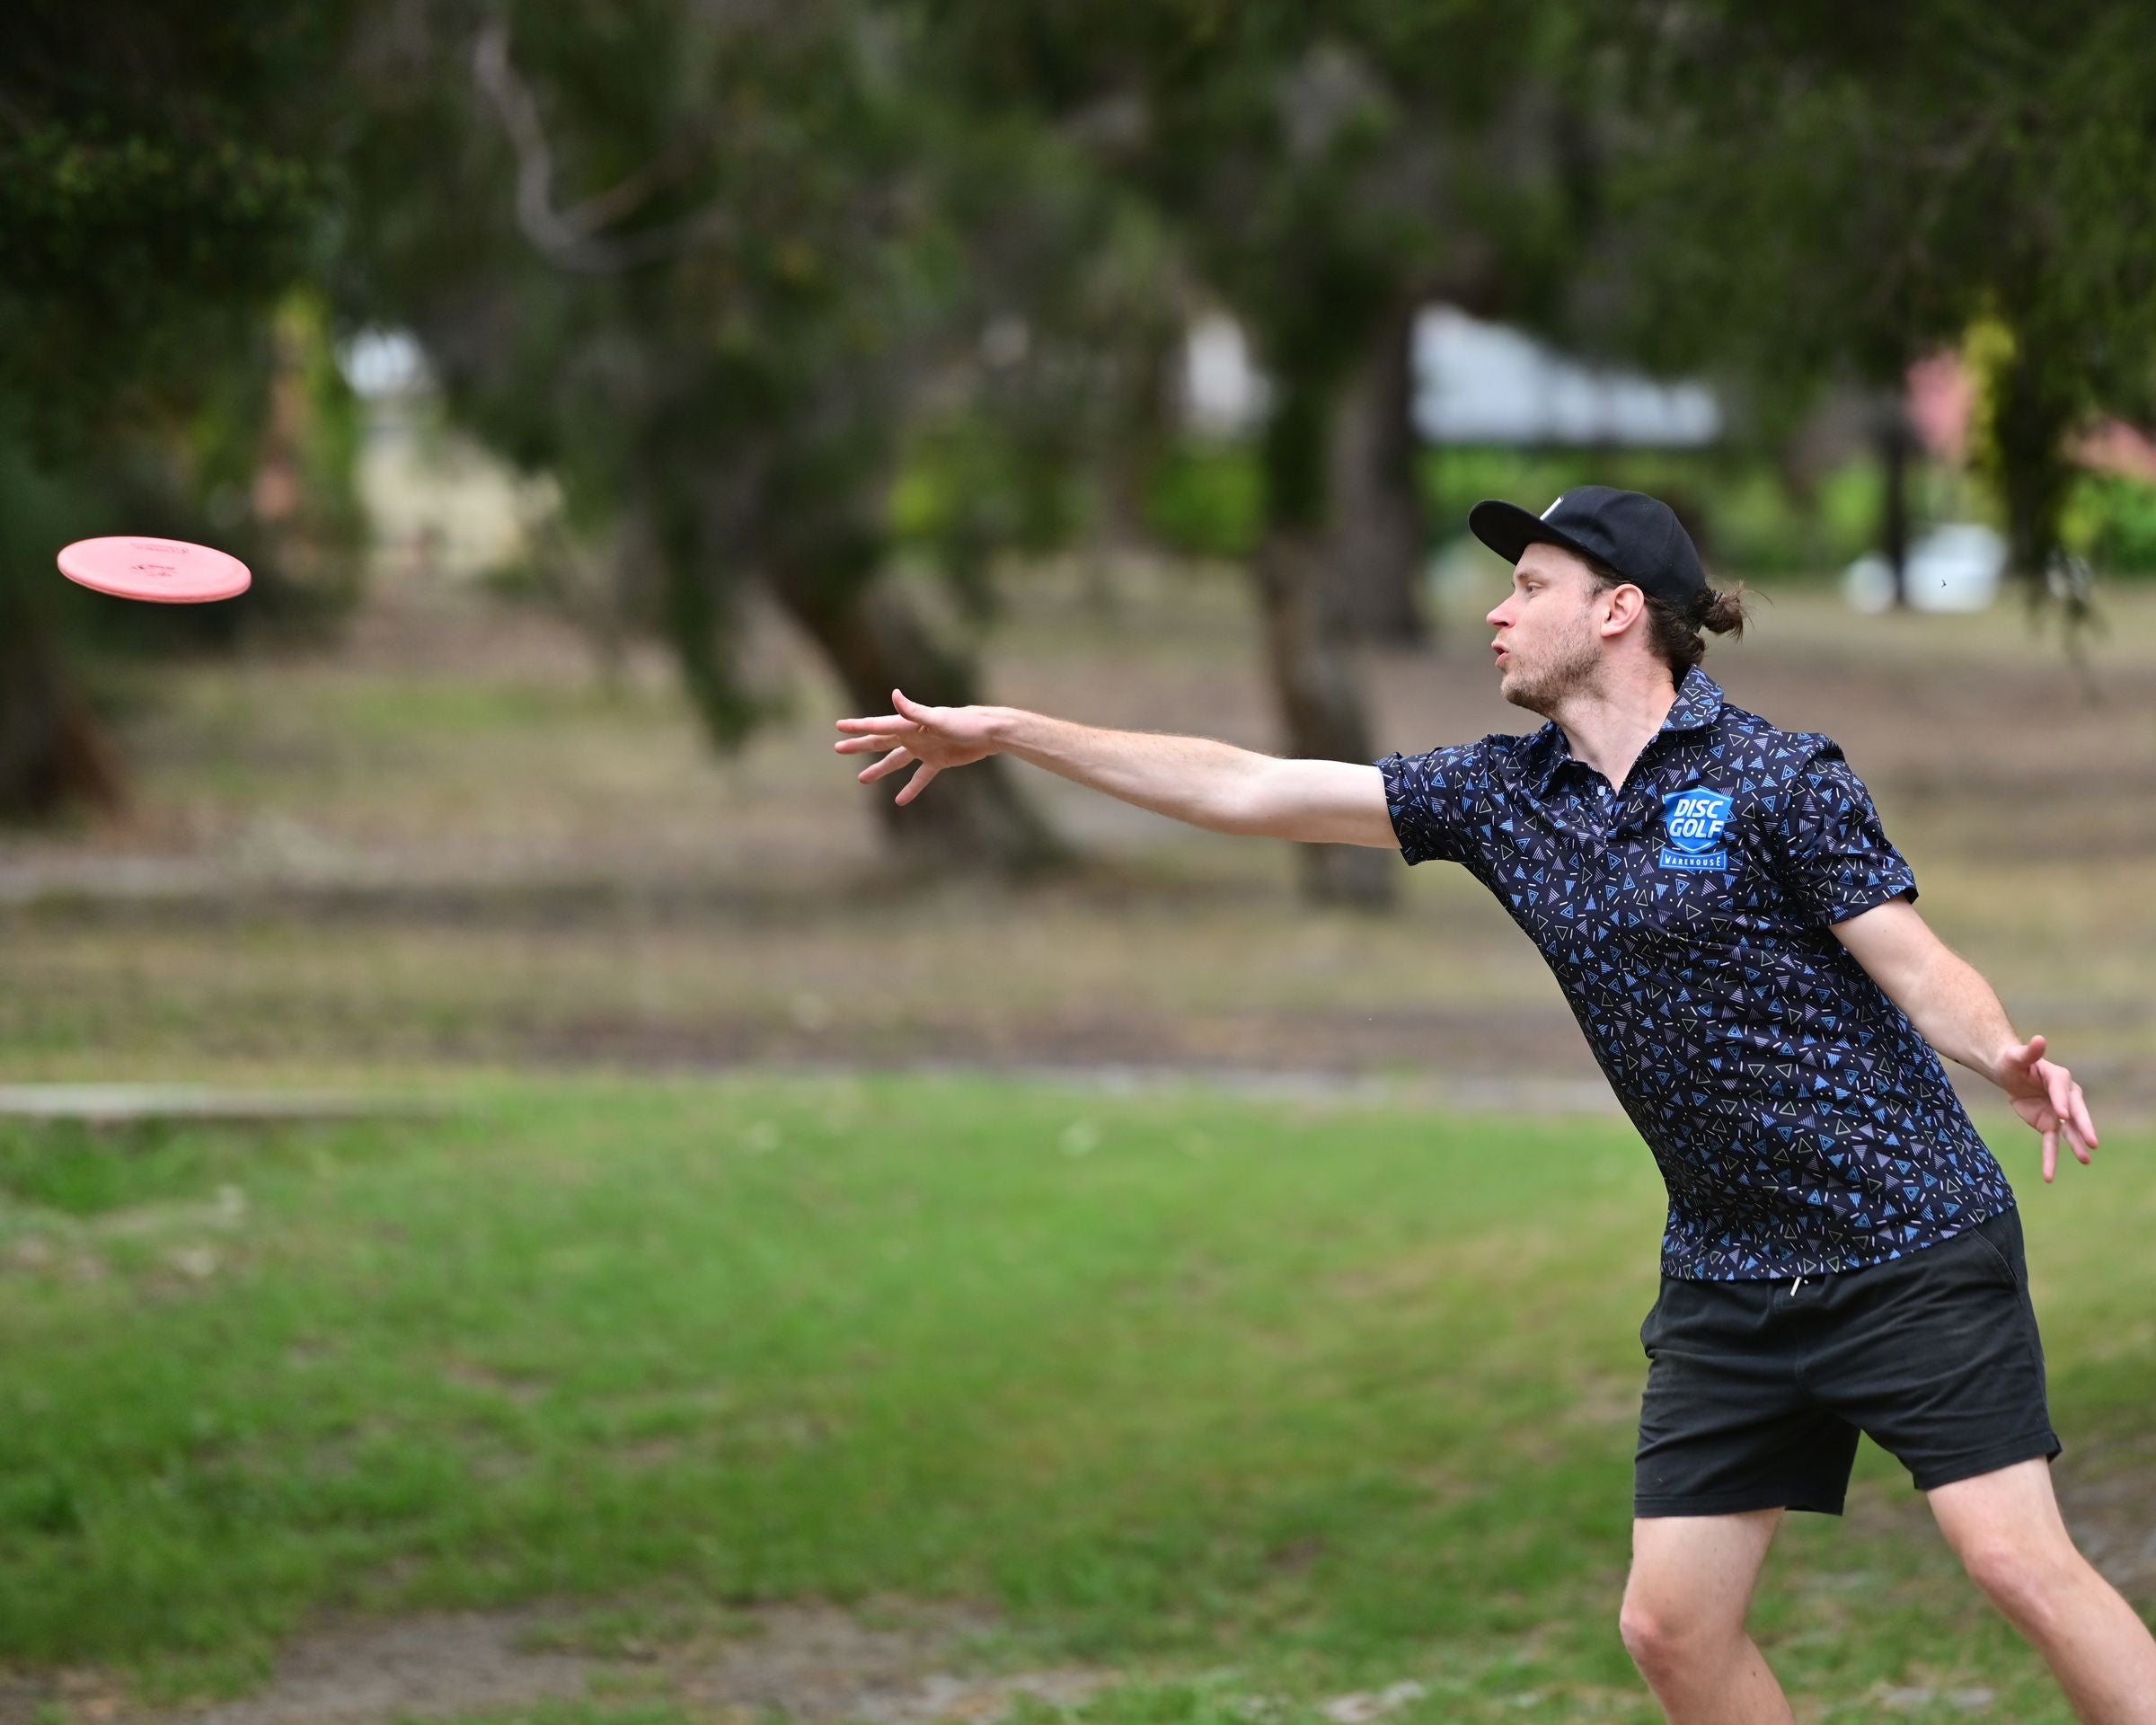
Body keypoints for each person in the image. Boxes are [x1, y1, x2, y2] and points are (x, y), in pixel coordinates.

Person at [832, 485, 2156, 1721]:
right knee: (1672, 1630)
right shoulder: (1504, 798)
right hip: (1730, 1274)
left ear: (1619, 610)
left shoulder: (1777, 776)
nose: (1496, 612)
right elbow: (1249, 786)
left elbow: (1913, 964)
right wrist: (1011, 732)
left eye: (1529, 586)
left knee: (2014, 1565)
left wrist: (2006, 1056)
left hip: (1905, 1239)